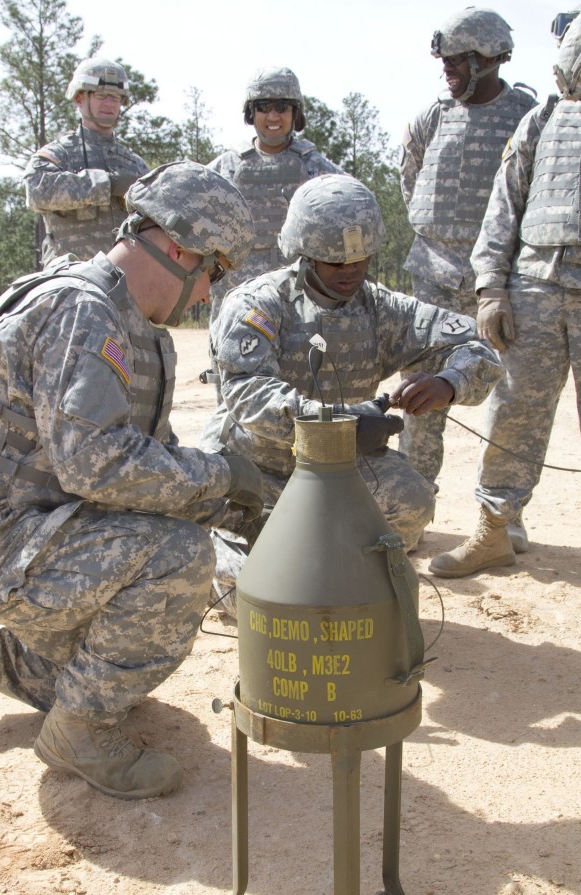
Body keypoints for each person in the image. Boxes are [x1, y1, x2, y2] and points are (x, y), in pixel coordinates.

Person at [0, 161, 265, 801]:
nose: (208, 294)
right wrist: (221, 475)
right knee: (175, 564)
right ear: (178, 249)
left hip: (19, 528)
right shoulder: (80, 311)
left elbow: (151, 467)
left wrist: (229, 509)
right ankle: (80, 734)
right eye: (213, 272)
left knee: (85, 662)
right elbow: (98, 465)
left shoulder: (130, 326)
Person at [200, 174, 502, 620]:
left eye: (360, 259)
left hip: (338, 472)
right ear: (304, 254)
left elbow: (479, 347)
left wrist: (449, 383)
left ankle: (337, 576)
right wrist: (344, 426)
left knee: (410, 499)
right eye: (334, 262)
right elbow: (247, 394)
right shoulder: (259, 304)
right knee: (256, 597)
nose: (351, 271)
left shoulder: (381, 309)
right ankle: (229, 563)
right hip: (255, 472)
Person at [429, 17, 581, 578]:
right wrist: (491, 287)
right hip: (536, 288)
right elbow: (505, 207)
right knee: (514, 412)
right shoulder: (542, 118)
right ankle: (495, 528)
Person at [399, 7, 536, 506]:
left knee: (514, 395)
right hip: (433, 274)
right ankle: (413, 503)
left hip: (504, 278)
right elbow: (411, 178)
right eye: (445, 60)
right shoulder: (433, 116)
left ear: (488, 58)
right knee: (419, 391)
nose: (447, 69)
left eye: (456, 59)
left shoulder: (525, 116)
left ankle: (501, 514)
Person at [205, 66, 342, 333]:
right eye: (264, 107)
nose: (273, 116)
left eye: (282, 107)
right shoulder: (225, 169)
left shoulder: (318, 170)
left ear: (296, 113)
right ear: (251, 112)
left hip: (298, 299)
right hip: (235, 298)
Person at [25, 57, 149, 266]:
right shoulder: (59, 154)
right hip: (71, 279)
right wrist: (106, 184)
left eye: (116, 98)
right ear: (79, 99)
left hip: (125, 284)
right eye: (101, 96)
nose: (109, 103)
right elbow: (36, 191)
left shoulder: (135, 165)